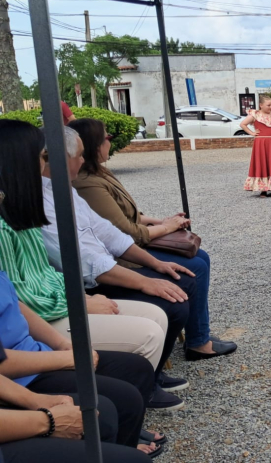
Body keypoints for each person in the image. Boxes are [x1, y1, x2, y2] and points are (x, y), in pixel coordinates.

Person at [0, 120, 181, 412]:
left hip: (55, 308)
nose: (46, 166)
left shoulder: (32, 207)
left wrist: (84, 300)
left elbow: (106, 233)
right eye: (43, 157)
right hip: (45, 320)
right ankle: (136, 396)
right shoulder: (16, 217)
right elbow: (28, 296)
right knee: (152, 327)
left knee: (160, 313)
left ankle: (142, 391)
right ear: (18, 163)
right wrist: (81, 304)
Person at [68, 119, 236, 363]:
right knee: (196, 267)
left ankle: (198, 335)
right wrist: (166, 227)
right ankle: (199, 342)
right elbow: (127, 232)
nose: (110, 142)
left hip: (126, 248)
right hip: (119, 258)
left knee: (200, 256)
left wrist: (163, 222)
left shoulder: (98, 173)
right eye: (108, 137)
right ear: (94, 145)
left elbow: (129, 216)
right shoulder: (87, 183)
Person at [0, 270, 160, 458]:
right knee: (108, 411)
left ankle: (126, 442)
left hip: (31, 354)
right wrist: (48, 420)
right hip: (19, 374)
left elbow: (16, 303)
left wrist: (64, 346)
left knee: (134, 374)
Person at [240, 94, 271, 197]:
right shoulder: (255, 115)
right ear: (261, 105)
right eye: (268, 105)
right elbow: (243, 124)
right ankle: (263, 189)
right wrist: (252, 133)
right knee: (263, 163)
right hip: (261, 143)